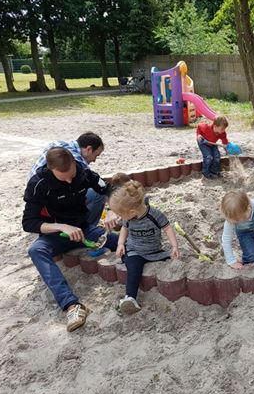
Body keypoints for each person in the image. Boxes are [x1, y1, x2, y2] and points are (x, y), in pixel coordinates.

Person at [23, 147, 118, 332]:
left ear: (75, 163)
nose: (68, 180)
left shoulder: (83, 173)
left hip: (85, 231)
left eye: (71, 175)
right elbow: (29, 222)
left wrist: (113, 209)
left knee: (121, 241)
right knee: (36, 250)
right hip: (56, 235)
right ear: (50, 169)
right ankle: (71, 305)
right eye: (62, 177)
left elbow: (109, 189)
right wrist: (61, 226)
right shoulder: (38, 184)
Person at [109, 180, 180, 314]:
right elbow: (124, 229)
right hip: (135, 251)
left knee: (170, 260)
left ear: (131, 211)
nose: (120, 218)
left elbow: (167, 228)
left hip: (155, 251)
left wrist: (174, 246)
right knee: (133, 268)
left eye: (120, 215)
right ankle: (130, 298)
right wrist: (120, 244)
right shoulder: (128, 218)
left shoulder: (155, 215)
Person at [28, 132, 112, 227]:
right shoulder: (75, 162)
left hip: (35, 193)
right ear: (89, 149)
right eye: (96, 156)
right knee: (95, 194)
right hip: (49, 202)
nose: (94, 160)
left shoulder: (59, 145)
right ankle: (87, 226)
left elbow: (102, 185)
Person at [221, 191, 254, 269]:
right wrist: (231, 261)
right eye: (236, 220)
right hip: (244, 233)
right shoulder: (231, 219)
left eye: (240, 218)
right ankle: (250, 266)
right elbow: (226, 239)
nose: (239, 221)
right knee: (250, 253)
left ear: (249, 208)